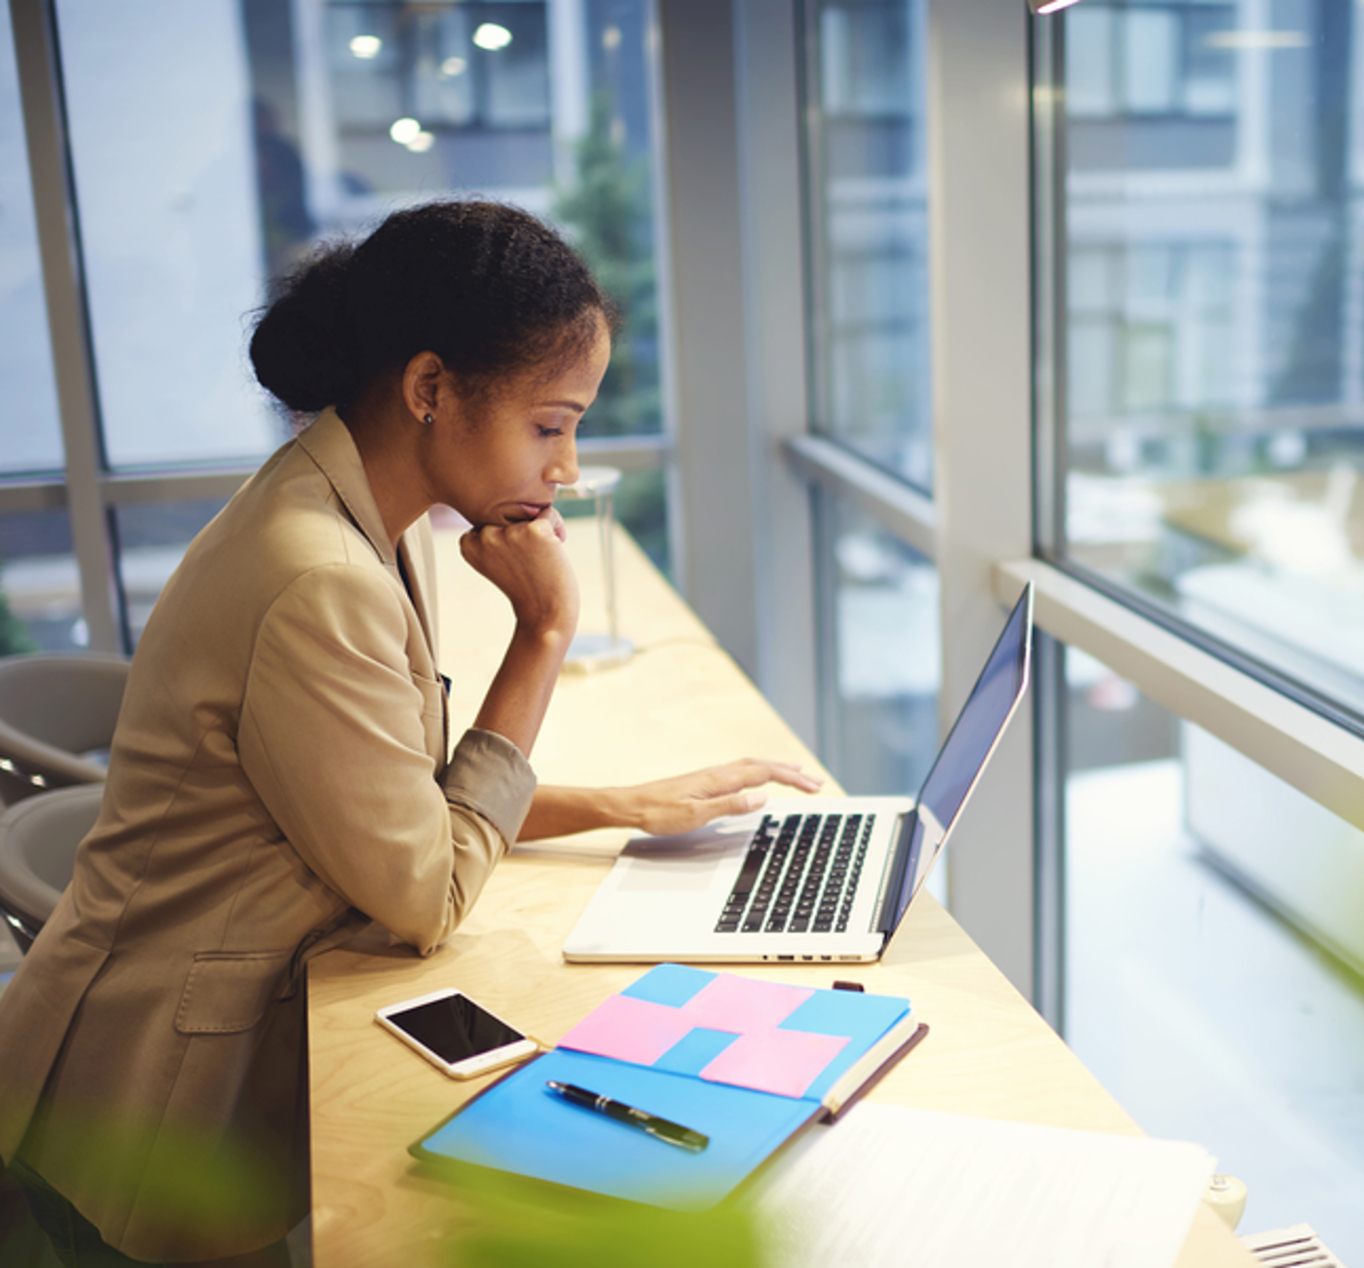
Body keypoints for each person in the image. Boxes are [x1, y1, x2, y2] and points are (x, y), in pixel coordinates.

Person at [0, 199, 820, 1267]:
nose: (565, 469)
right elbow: (425, 893)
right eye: (551, 424)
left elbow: (389, 796)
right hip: (148, 1112)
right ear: (430, 389)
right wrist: (543, 633)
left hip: (162, 1044)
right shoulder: (319, 577)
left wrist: (625, 807)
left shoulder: (340, 514)